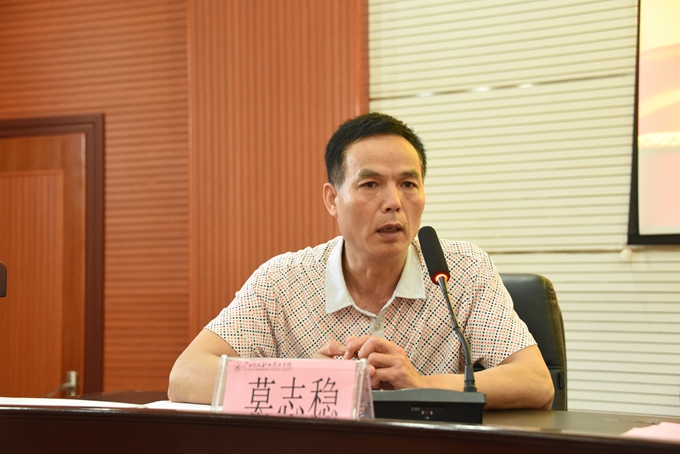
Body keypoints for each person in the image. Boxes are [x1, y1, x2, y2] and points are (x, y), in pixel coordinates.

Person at [168, 112, 554, 409]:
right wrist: (308, 380)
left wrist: (421, 383)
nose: (394, 202)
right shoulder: (282, 280)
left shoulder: (460, 270)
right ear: (332, 199)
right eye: (370, 184)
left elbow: (536, 382)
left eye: (408, 184)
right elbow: (186, 375)